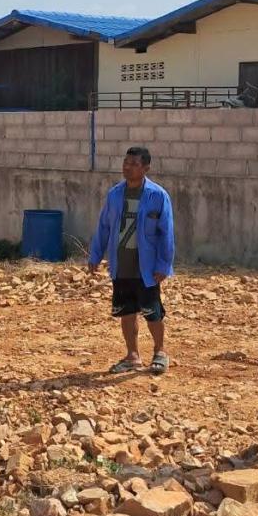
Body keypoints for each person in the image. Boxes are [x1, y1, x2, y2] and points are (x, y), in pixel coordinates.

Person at [88, 145, 174, 374]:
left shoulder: (158, 196)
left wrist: (164, 265)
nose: (128, 167)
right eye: (126, 162)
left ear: (146, 168)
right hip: (121, 264)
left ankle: (160, 352)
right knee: (126, 311)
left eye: (134, 164)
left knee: (152, 311)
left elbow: (166, 232)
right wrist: (95, 255)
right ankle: (132, 356)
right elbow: (104, 226)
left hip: (146, 267)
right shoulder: (115, 194)